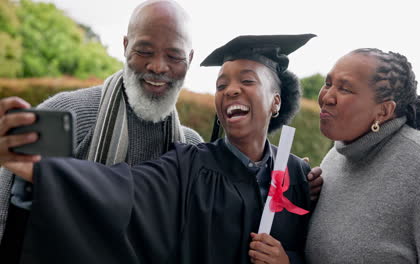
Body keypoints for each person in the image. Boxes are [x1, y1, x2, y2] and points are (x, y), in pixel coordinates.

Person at [2, 33, 317, 264]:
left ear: (276, 101)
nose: (230, 90)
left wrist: (287, 261)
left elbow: (318, 250)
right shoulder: (189, 165)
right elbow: (123, 189)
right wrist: (40, 170)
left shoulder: (297, 175)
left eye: (247, 81)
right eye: (221, 85)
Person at [0, 0, 204, 261]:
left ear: (189, 59)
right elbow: (7, 211)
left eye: (174, 56)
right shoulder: (68, 114)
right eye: (144, 51)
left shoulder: (190, 146)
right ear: (125, 45)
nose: (158, 66)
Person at [305, 48, 420, 263]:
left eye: (344, 89)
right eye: (328, 83)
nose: (326, 97)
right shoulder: (337, 156)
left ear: (383, 111)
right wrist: (302, 202)